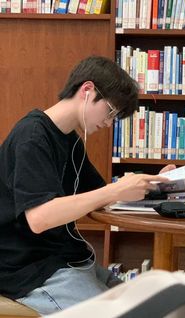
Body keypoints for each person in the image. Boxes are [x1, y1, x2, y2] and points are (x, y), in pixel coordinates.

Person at [0, 56, 175, 315]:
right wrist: (114, 190)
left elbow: (100, 196)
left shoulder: (70, 141)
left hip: (65, 260)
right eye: (111, 111)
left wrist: (153, 185)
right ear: (87, 90)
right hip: (29, 268)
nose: (108, 123)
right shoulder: (32, 136)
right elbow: (39, 218)